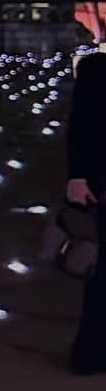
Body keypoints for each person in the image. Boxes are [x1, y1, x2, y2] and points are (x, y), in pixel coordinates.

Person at [66, 51, 106, 374]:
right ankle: (90, 354)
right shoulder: (95, 69)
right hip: (103, 183)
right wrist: (77, 176)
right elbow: (80, 124)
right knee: (102, 274)